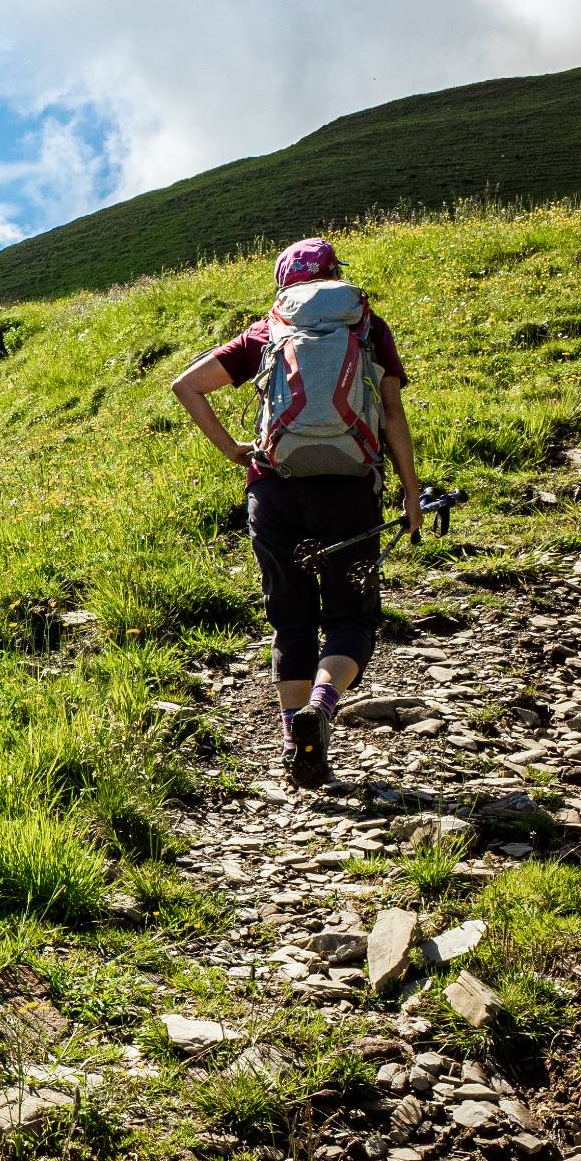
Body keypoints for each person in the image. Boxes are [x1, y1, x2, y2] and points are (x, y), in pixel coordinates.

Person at [169, 238, 421, 788]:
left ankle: (295, 742)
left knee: (292, 622)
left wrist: (234, 450)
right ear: (338, 280)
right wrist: (411, 492)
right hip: (350, 489)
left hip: (275, 488)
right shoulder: (368, 328)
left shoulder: (267, 331)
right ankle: (323, 709)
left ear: (286, 287)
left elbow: (185, 385)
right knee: (351, 619)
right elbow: (393, 415)